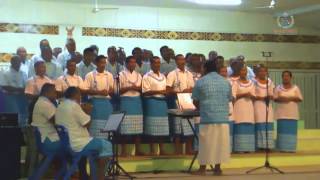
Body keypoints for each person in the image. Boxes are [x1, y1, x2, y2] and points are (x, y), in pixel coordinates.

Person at [55, 87, 112, 180]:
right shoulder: (74, 105)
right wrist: (88, 111)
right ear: (76, 95)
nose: (80, 98)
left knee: (94, 150)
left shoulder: (60, 105)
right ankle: (100, 177)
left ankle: (91, 176)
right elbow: (87, 124)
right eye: (80, 95)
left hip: (65, 143)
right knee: (107, 145)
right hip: (77, 143)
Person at [192, 60, 231, 176]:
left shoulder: (201, 81)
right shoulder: (225, 82)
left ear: (205, 68)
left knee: (205, 143)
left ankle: (202, 169)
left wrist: (202, 108)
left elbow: (195, 100)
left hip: (208, 117)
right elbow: (229, 98)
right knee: (221, 143)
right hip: (223, 118)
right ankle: (218, 169)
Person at [166, 54, 195, 155]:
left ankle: (188, 149)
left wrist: (189, 90)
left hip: (188, 102)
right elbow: (168, 90)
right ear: (176, 61)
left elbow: (193, 87)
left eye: (183, 59)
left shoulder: (189, 74)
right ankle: (177, 150)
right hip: (177, 101)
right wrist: (181, 92)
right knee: (177, 126)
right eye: (180, 59)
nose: (182, 61)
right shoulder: (172, 74)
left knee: (189, 125)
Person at [142, 56, 169, 155]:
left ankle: (162, 149)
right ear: (151, 64)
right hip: (152, 103)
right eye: (155, 63)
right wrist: (160, 91)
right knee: (152, 127)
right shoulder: (147, 76)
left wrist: (166, 92)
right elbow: (145, 92)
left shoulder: (163, 76)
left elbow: (166, 89)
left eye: (159, 63)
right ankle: (152, 150)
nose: (157, 65)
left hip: (162, 103)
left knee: (162, 127)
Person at [118, 56, 144, 156]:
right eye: (131, 62)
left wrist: (136, 88)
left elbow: (142, 89)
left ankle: (138, 149)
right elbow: (118, 90)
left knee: (137, 127)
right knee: (125, 127)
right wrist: (130, 87)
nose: (133, 64)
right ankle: (123, 151)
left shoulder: (138, 75)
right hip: (126, 101)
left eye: (134, 62)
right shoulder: (121, 74)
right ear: (126, 63)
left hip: (136, 101)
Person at [84, 55, 114, 138]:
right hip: (95, 104)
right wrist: (99, 92)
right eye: (101, 62)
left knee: (107, 128)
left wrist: (108, 92)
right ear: (96, 63)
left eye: (104, 63)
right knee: (95, 128)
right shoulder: (89, 75)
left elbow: (112, 89)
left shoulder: (109, 75)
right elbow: (86, 90)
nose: (103, 65)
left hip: (106, 104)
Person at [274, 70, 303, 152]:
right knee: (282, 131)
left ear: (291, 77)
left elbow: (300, 98)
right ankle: (281, 148)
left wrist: (289, 98)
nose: (286, 78)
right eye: (284, 76)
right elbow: (275, 98)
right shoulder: (278, 87)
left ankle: (291, 148)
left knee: (291, 132)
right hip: (281, 114)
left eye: (287, 76)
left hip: (292, 114)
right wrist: (282, 98)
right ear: (282, 77)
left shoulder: (295, 88)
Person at [233, 66, 256, 153]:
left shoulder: (251, 83)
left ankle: (248, 147)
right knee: (240, 124)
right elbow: (233, 96)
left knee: (248, 124)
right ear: (239, 72)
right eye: (242, 70)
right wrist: (243, 94)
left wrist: (251, 95)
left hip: (249, 106)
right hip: (239, 106)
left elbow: (254, 95)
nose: (243, 72)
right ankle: (240, 148)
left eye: (245, 71)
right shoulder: (235, 83)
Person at [31, 83, 60, 152]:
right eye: (54, 92)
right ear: (48, 92)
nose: (56, 94)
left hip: (44, 140)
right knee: (73, 144)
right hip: (49, 141)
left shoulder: (41, 102)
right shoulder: (45, 104)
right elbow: (58, 122)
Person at [1, 55, 28, 126]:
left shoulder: (23, 73)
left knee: (23, 116)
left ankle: (22, 133)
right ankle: (13, 133)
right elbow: (4, 86)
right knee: (14, 116)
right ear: (11, 62)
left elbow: (26, 85)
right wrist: (19, 89)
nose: (18, 63)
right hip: (10, 97)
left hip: (23, 97)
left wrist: (22, 90)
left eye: (19, 62)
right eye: (16, 62)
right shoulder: (5, 72)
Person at [254, 65, 275, 150]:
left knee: (268, 124)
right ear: (257, 72)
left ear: (267, 72)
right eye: (260, 71)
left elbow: (273, 94)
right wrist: (262, 97)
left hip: (267, 105)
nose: (262, 73)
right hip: (258, 105)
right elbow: (253, 95)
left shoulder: (269, 82)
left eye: (264, 71)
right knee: (260, 124)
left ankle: (268, 146)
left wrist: (270, 97)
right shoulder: (254, 82)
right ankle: (260, 146)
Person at [219, 65, 235, 152]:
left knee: (229, 129)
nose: (224, 73)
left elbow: (232, 97)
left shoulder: (231, 81)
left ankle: (228, 149)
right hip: (219, 109)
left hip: (229, 106)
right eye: (222, 71)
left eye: (225, 71)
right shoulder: (216, 82)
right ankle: (221, 149)